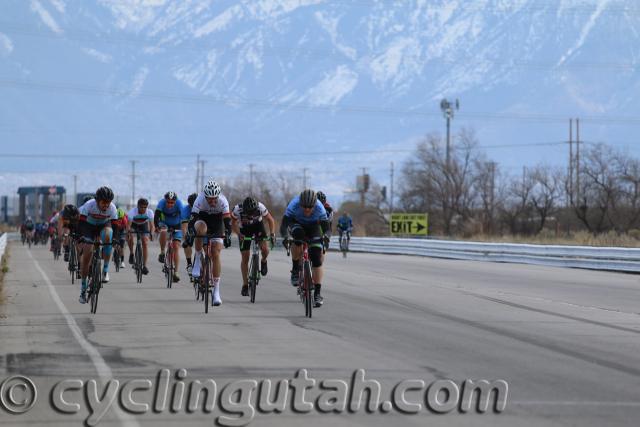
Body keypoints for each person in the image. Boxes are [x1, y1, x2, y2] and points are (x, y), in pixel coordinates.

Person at [280, 189, 331, 308]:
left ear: (315, 204)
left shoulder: (320, 208)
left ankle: (317, 294)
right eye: (304, 207)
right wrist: (286, 237)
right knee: (297, 238)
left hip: (314, 226)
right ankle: (295, 270)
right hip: (297, 223)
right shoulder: (293, 205)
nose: (307, 209)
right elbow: (283, 226)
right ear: (300, 203)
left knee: (317, 259)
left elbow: (327, 229)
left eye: (310, 207)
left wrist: (326, 237)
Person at [187, 180, 231, 306]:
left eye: (214, 199)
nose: (212, 202)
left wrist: (227, 234)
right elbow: (192, 219)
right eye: (209, 199)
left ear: (218, 196)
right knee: (200, 229)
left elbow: (227, 222)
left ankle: (216, 292)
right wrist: (190, 231)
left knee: (215, 253)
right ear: (205, 196)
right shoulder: (199, 199)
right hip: (202, 220)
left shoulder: (223, 201)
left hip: (217, 224)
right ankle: (197, 259)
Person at [77, 186, 117, 304]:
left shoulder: (112, 208)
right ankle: (83, 290)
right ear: (97, 200)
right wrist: (82, 236)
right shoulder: (89, 205)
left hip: (103, 226)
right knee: (87, 254)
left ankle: (105, 271)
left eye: (108, 203)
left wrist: (115, 239)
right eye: (103, 202)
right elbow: (81, 223)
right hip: (88, 227)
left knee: (109, 235)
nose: (106, 205)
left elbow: (115, 226)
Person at [230, 196, 276, 297]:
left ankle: (263, 261)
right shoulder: (237, 209)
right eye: (248, 213)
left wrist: (272, 234)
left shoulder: (260, 207)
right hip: (244, 230)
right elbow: (232, 223)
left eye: (253, 213)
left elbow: (270, 220)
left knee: (265, 249)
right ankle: (245, 285)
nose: (250, 215)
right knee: (245, 257)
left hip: (257, 227)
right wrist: (238, 234)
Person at [155, 191, 188, 283]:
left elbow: (184, 217)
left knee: (176, 247)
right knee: (163, 231)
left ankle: (176, 272)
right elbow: (156, 216)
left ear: (175, 201)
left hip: (177, 225)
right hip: (164, 223)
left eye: (172, 202)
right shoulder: (161, 203)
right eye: (168, 202)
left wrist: (184, 229)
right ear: (165, 200)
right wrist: (156, 226)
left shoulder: (179, 203)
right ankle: (162, 252)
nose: (170, 204)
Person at [127, 198, 154, 275]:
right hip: (134, 225)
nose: (143, 209)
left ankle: (144, 266)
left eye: (145, 207)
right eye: (141, 207)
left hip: (143, 225)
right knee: (130, 236)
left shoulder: (149, 212)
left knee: (145, 242)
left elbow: (152, 226)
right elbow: (128, 226)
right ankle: (132, 253)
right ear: (137, 206)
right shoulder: (132, 212)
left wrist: (151, 233)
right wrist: (128, 233)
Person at [181, 193, 198, 278]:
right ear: (189, 205)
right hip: (190, 227)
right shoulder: (185, 210)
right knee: (187, 241)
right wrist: (185, 239)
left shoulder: (202, 207)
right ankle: (189, 263)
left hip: (200, 226)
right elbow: (184, 227)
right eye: (192, 206)